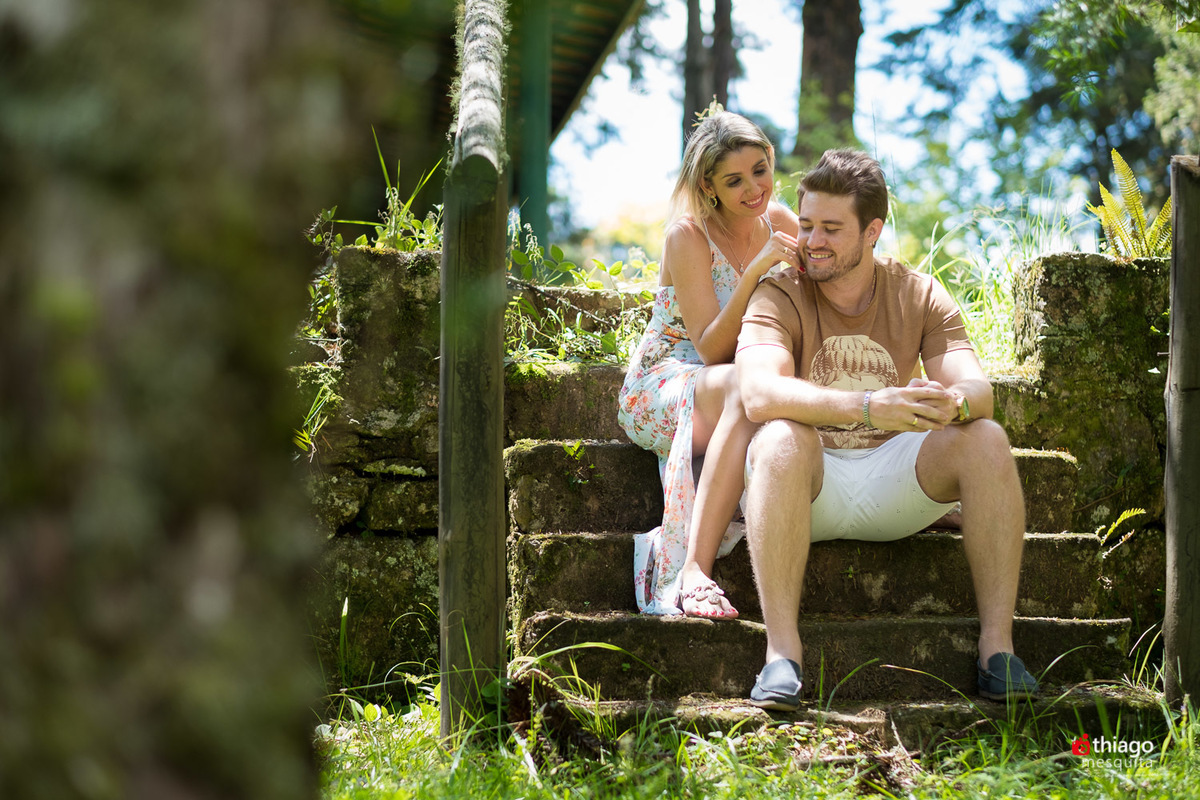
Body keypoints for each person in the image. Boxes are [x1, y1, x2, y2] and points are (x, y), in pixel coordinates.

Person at [734, 149, 1040, 709]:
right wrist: (869, 406)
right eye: (805, 225)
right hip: (807, 485)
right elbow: (758, 393)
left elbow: (980, 393)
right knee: (779, 436)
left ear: (872, 231)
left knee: (987, 437)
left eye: (831, 228)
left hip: (896, 483)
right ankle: (782, 656)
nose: (812, 241)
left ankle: (998, 652)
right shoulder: (778, 290)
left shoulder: (919, 293)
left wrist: (946, 405)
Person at [617, 107, 800, 618]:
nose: (754, 189)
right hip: (666, 378)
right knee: (752, 385)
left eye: (760, 170)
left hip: (741, 376)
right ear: (708, 184)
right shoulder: (687, 236)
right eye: (734, 180)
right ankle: (692, 571)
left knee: (781, 384)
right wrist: (757, 270)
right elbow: (711, 350)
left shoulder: (781, 222)